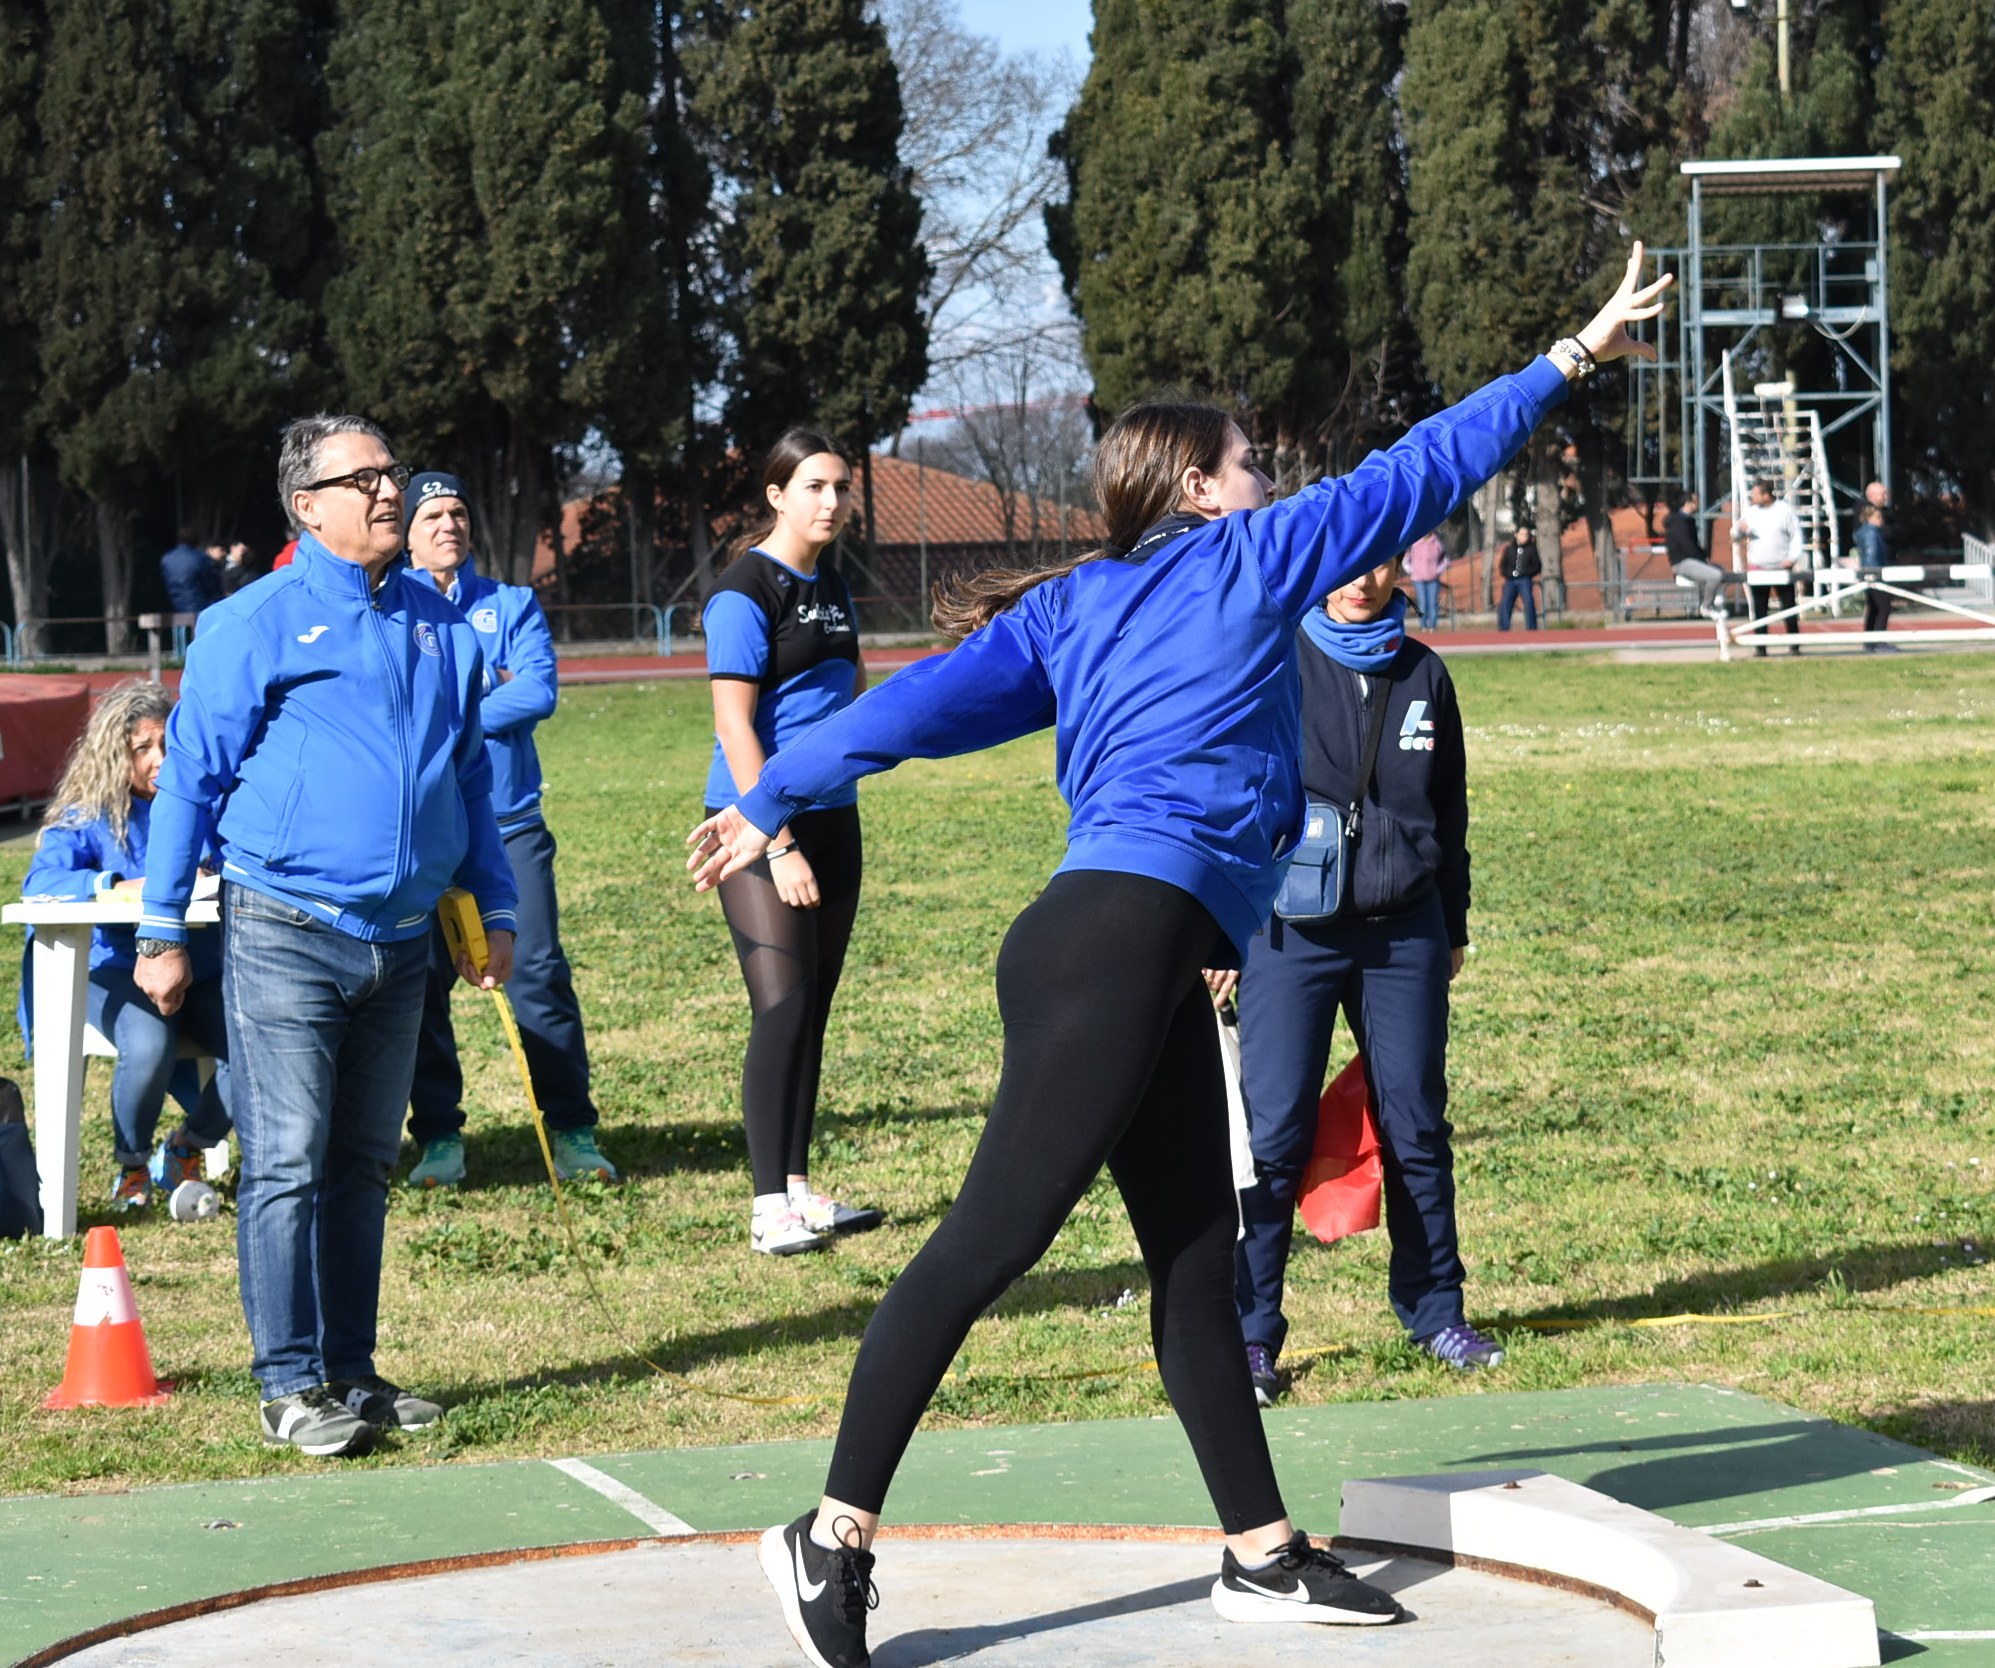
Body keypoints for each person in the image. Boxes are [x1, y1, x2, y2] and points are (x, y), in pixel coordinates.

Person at [689, 248, 1669, 1668]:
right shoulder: (1247, 559)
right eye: (1249, 461)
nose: (1267, 476)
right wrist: (1568, 358)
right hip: (1111, 945)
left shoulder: (1074, 601)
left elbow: (903, 713)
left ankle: (1259, 1554)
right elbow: (1427, 464)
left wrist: (770, 790)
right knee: (986, 1245)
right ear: (1201, 489)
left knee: (1196, 1258)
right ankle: (829, 1535)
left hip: (1123, 946)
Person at [136, 414, 518, 1459]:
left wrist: (494, 910)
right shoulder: (250, 623)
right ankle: (289, 1384)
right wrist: (161, 929)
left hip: (404, 943)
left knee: (361, 1161)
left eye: (394, 473)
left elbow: (469, 781)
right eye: (365, 479)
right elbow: (191, 780)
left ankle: (352, 1371)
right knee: (289, 1156)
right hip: (285, 929)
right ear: (306, 506)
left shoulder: (440, 625)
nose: (390, 491)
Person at [1213, 552, 1492, 1414]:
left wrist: (1451, 924)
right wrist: (1216, 924)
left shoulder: (1424, 674)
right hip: (1286, 933)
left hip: (1405, 933)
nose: (1362, 582)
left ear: (1400, 569)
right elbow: (1225, 795)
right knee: (1272, 1137)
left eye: (1380, 565)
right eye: (1347, 564)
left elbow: (1449, 808)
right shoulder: (1272, 661)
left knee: (1416, 1126)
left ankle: (1436, 1313)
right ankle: (1250, 1333)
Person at [399, 471, 616, 1187]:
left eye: (458, 513)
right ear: (405, 532)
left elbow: (537, 693)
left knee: (538, 972)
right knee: (419, 985)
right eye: (432, 515)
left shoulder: (512, 604)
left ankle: (573, 1130)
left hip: (510, 823)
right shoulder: (390, 608)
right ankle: (438, 1136)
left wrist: (445, 714)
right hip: (422, 830)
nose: (449, 525)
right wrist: (489, 684)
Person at [704, 430, 880, 1256]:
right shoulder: (743, 591)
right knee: (780, 1007)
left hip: (834, 816)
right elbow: (735, 725)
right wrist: (775, 842)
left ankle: (800, 1190)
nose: (831, 501)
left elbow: (852, 685)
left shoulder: (833, 583)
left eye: (841, 486)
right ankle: (766, 1206)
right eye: (813, 485)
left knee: (812, 1005)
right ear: (776, 494)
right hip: (756, 825)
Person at [21, 680, 232, 1210]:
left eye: (167, 745)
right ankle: (132, 1168)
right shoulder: (88, 814)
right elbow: (40, 883)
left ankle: (187, 1146)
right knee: (149, 1041)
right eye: (143, 748)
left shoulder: (206, 804)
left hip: (202, 966)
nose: (159, 759)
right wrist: (112, 884)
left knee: (261, 1041)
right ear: (115, 755)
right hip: (113, 968)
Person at [1731, 478, 1803, 657]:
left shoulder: (1784, 510)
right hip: (1758, 567)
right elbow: (1734, 533)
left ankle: (1794, 645)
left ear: (1765, 495)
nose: (1752, 498)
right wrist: (1740, 530)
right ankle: (1760, 646)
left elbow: (1796, 535)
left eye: (1755, 494)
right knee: (1760, 608)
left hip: (1781, 567)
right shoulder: (1751, 512)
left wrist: (1792, 557)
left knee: (1788, 607)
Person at [1664, 488, 1727, 618]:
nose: (1698, 504)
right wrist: (1703, 560)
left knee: (1722, 574)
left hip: (1691, 560)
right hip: (1683, 563)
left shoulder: (1688, 521)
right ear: (1688, 503)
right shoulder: (1679, 522)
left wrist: (1704, 557)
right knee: (1715, 576)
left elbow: (1694, 545)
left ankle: (1717, 602)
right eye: (1696, 501)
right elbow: (1688, 546)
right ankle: (1706, 606)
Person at [1857, 480, 1898, 650]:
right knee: (1883, 607)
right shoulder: (1871, 533)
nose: (1882, 520)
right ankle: (1879, 642)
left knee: (1873, 608)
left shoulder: (1869, 532)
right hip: (1876, 574)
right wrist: (1875, 574)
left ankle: (1870, 642)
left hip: (1873, 573)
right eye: (1879, 517)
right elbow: (1872, 556)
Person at [160, 527, 224, 618]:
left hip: (176, 607)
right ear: (196, 541)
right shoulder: (201, 559)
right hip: (201, 607)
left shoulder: (166, 559)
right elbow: (212, 584)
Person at [1495, 525, 1541, 631]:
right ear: (1516, 535)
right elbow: (1503, 566)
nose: (1524, 537)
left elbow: (1537, 566)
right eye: (1522, 534)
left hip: (1524, 580)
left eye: (1526, 535)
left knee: (1528, 601)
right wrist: (1509, 573)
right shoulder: (1509, 549)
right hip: (1510, 581)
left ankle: (1531, 627)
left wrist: (1525, 573)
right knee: (1505, 603)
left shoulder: (1531, 549)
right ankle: (1503, 628)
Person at [1404, 532, 1448, 631]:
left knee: (1432, 603)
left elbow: (1444, 560)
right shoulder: (1414, 544)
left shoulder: (1437, 543)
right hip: (1418, 579)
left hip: (1433, 579)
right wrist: (1412, 571)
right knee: (1422, 603)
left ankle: (1432, 626)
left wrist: (1437, 571)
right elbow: (1406, 560)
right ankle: (1423, 626)